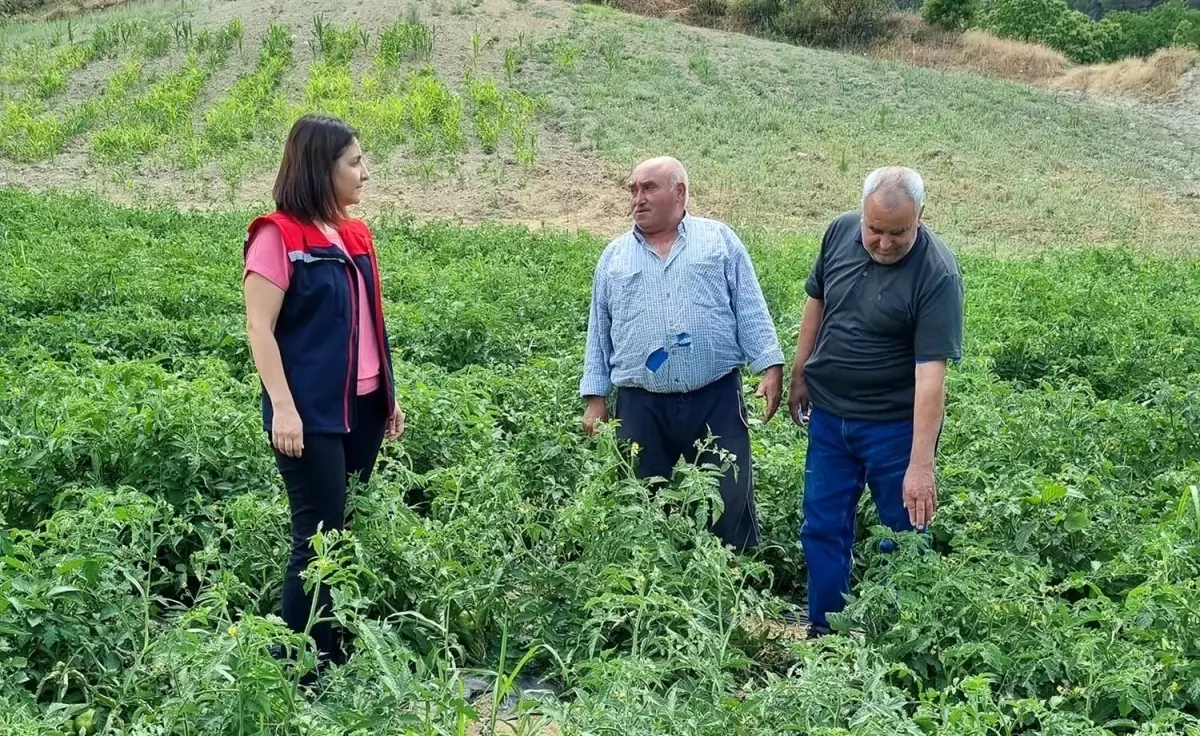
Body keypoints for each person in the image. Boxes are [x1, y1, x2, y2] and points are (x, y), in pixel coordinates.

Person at [243, 113, 405, 671]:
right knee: (316, 537)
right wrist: (283, 408)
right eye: (355, 162)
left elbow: (369, 321)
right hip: (309, 413)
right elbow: (259, 328)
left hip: (360, 406)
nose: (366, 173)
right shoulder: (278, 235)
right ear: (321, 167)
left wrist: (388, 394)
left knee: (342, 529)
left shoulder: (355, 233)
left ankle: (331, 645)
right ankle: (299, 665)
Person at [787, 166, 964, 636]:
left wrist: (921, 466)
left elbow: (931, 377)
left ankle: (895, 643)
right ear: (862, 215)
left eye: (898, 233)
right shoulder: (840, 231)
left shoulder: (937, 274)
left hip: (893, 427)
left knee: (902, 535)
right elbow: (817, 300)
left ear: (921, 218)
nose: (884, 243)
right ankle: (826, 635)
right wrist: (800, 371)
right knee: (822, 526)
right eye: (875, 230)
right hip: (830, 419)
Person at [580, 156, 785, 551]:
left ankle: (731, 577)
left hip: (716, 396)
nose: (637, 198)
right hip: (641, 404)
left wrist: (769, 366)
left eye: (649, 188)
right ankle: (649, 578)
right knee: (639, 499)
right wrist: (595, 399)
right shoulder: (614, 257)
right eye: (633, 190)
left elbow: (750, 306)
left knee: (728, 492)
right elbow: (599, 331)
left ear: (680, 192)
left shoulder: (719, 240)